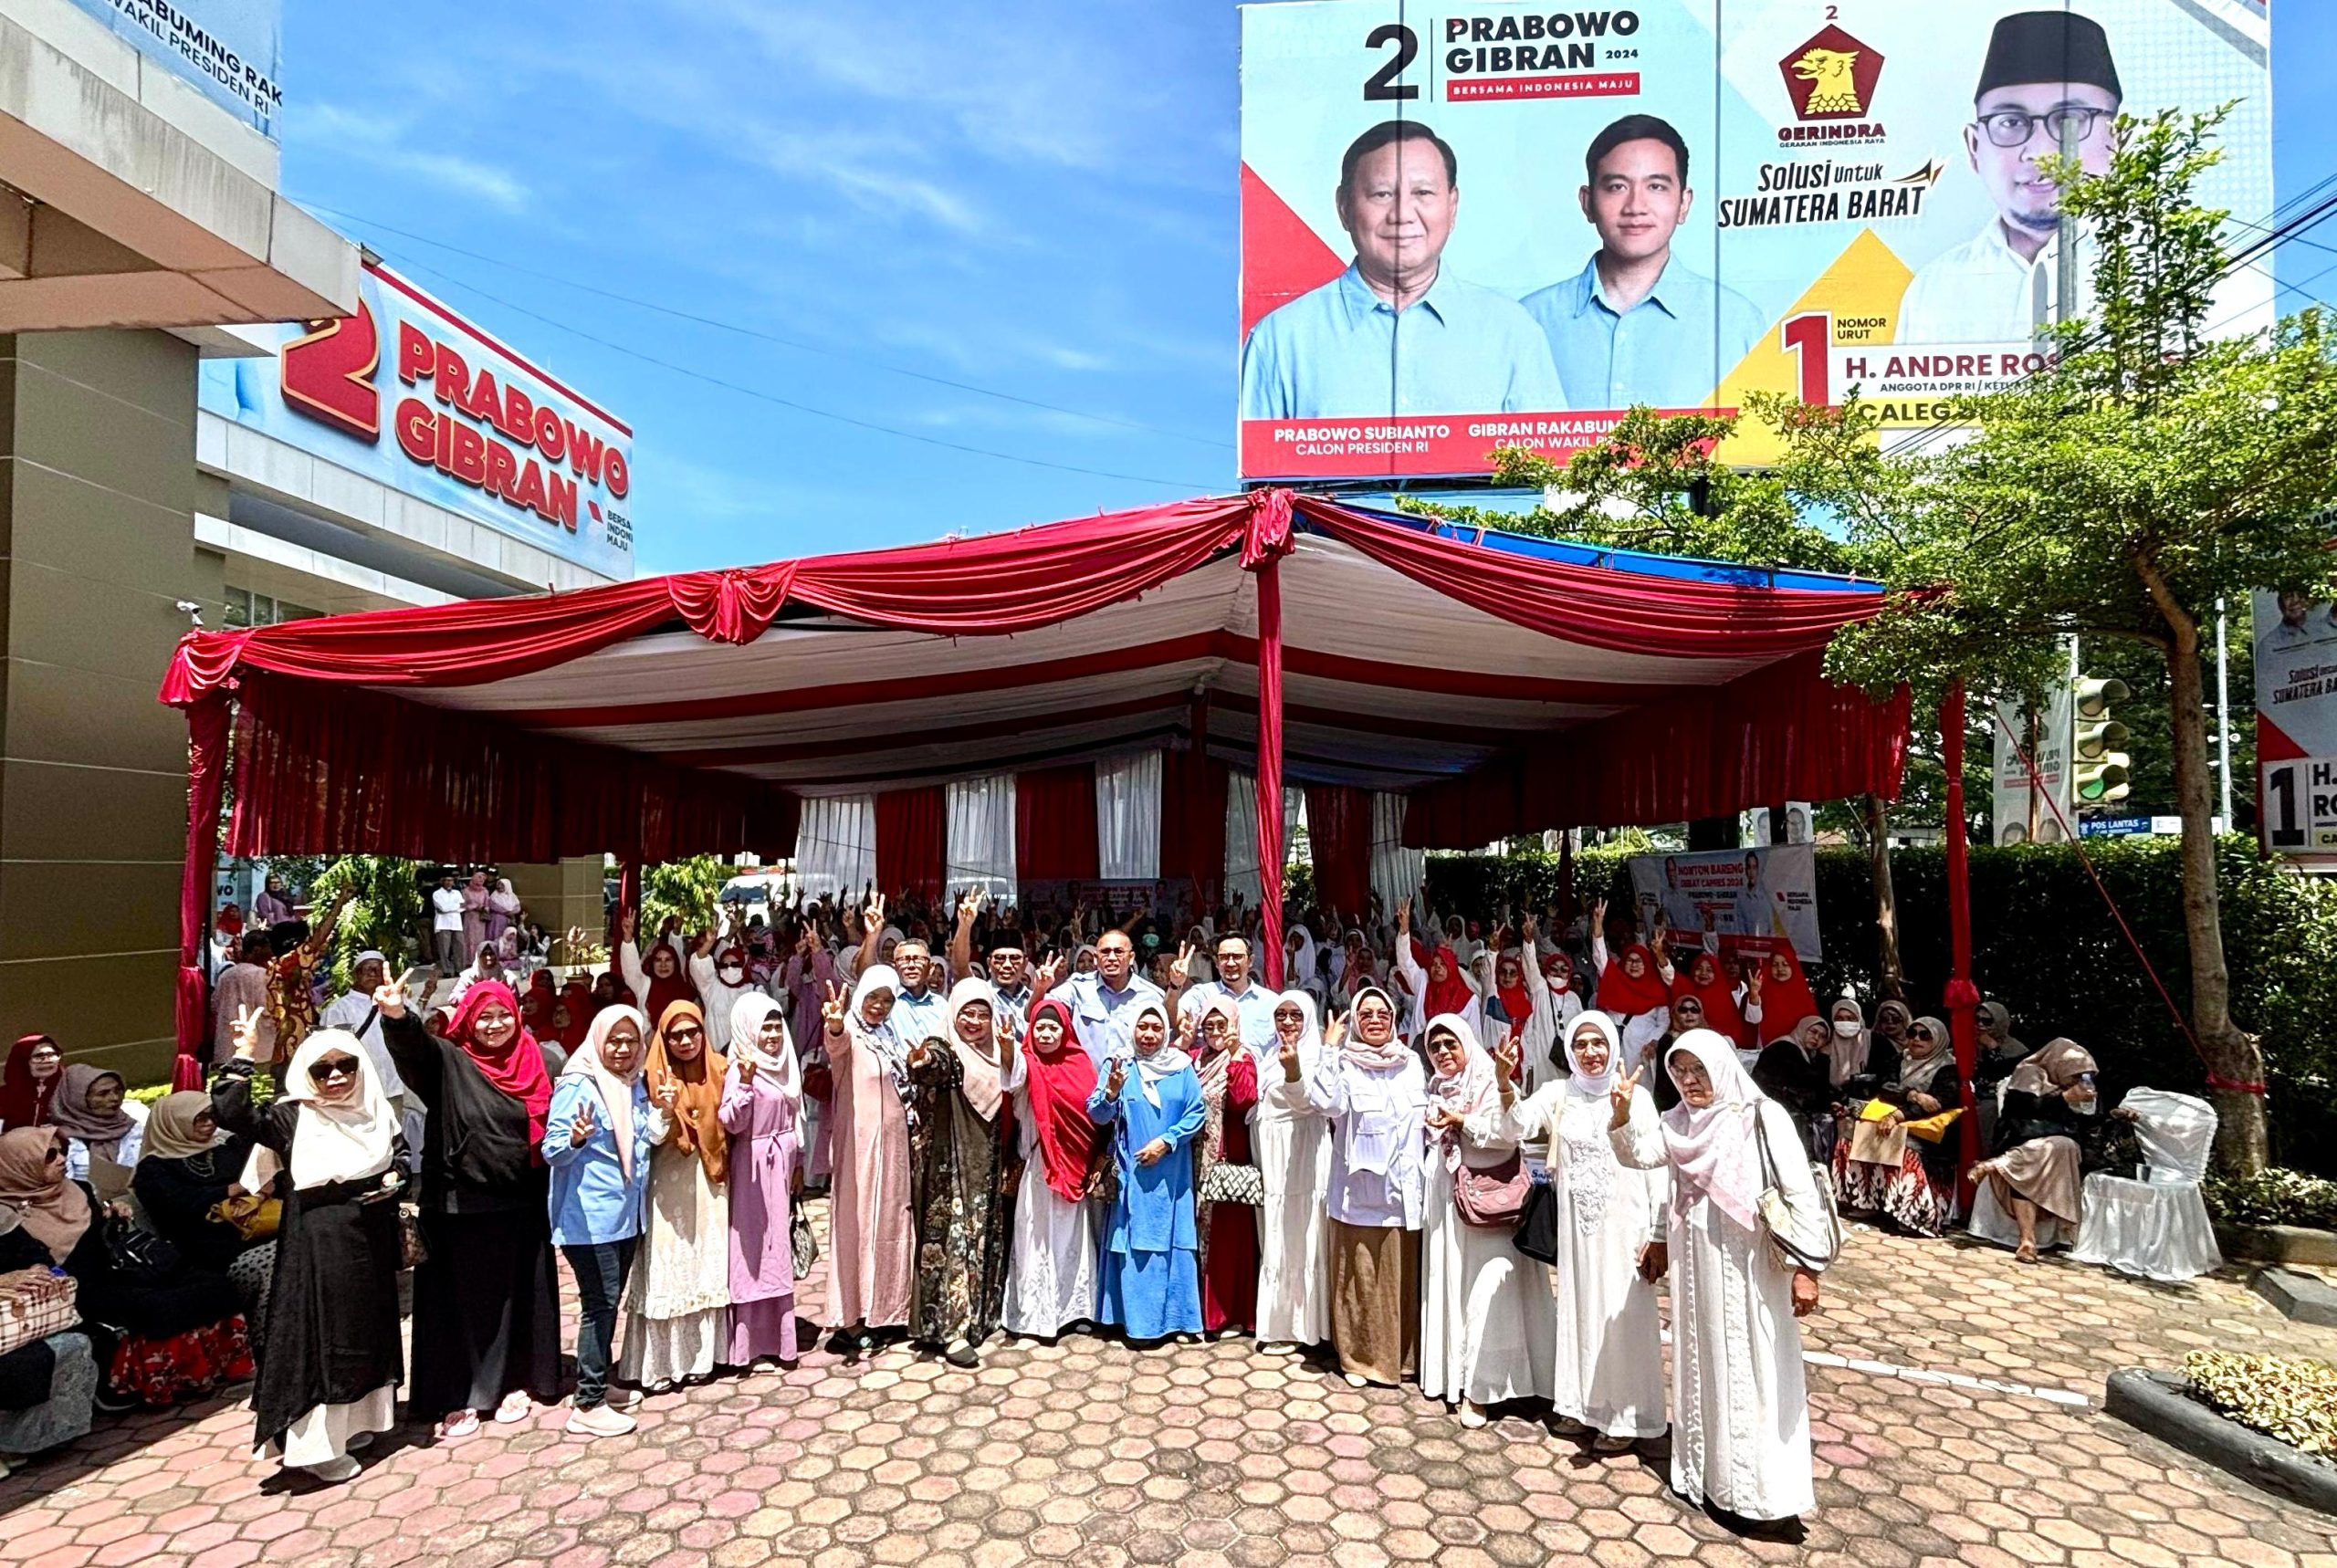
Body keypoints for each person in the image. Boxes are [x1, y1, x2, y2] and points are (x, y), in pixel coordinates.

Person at [1609, 1031, 1827, 1526]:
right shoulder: (1677, 1123)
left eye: (1699, 1070)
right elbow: (1640, 1158)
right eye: (1680, 1071)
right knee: (1703, 1364)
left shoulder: (1761, 1117)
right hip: (1696, 1272)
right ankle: (1710, 1480)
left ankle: (1761, 1497)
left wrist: (1807, 1269)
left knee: (1756, 1367)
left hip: (1753, 1271)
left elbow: (1801, 1194)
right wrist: (1620, 1114)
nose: (1689, 1081)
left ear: (1722, 1067)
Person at [1240, 120, 1564, 421]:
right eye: (1382, 194)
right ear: (1344, 207)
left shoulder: (1512, 331)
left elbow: (1549, 462)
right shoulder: (1279, 340)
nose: (1403, 214)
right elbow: (1256, 465)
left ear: (1452, 206)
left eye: (1423, 193)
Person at [212, 1020, 403, 1485]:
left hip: (370, 1238)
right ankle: (317, 1448)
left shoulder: (373, 1108)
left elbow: (398, 1155)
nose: (336, 1077)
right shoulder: (294, 1117)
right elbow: (231, 1112)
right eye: (322, 1069)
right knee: (326, 1336)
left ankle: (356, 1423)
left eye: (346, 1065)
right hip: (320, 1244)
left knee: (368, 1328)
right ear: (306, 1074)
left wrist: (395, 1177)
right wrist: (244, 1054)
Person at [379, 977, 561, 1440]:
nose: (495, 1025)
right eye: (484, 1017)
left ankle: (513, 1381)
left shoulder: (535, 1058)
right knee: (461, 1303)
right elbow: (413, 1051)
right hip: (460, 1206)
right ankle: (459, 1392)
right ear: (468, 1020)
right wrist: (397, 1016)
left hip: (521, 1200)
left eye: (503, 1015)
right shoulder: (449, 1060)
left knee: (515, 1298)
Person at [1895, 11, 2122, 344]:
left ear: (2117, 139)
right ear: (1974, 147)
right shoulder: (1934, 289)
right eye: (2011, 122)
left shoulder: (2167, 268)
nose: (2040, 152)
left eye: (2070, 121)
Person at [1495, 1012, 1667, 1448]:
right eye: (1581, 1044)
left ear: (1612, 1046)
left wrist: (1657, 1234)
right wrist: (1504, 1082)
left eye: (1599, 1043)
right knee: (1579, 1311)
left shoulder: (1637, 1098)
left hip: (1626, 1227)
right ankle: (1582, 1407)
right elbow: (1515, 1126)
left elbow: (1656, 1170)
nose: (1591, 1052)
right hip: (1578, 1231)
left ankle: (1623, 1417)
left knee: (1622, 1316)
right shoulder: (1559, 1093)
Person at [0, 1126, 252, 1410]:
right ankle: (164, 1384)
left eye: (60, 1152)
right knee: (161, 1306)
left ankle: (214, 1369)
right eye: (49, 1156)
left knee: (212, 1285)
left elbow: (101, 1237)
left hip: (121, 1268)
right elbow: (33, 1265)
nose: (61, 1160)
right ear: (22, 1166)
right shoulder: (9, 1216)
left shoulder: (79, 1189)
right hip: (79, 1289)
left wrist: (111, 1215)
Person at [1524, 113, 1762, 410]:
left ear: (1684, 203)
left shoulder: (1736, 323)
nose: (1636, 207)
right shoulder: (1529, 321)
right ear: (1587, 203)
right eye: (1617, 187)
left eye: (1656, 187)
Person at [1418, 1014, 1553, 1428]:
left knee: (1493, 1289)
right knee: (1457, 1286)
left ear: (1467, 1044)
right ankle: (1460, 1380)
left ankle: (1488, 1386)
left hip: (1492, 1206)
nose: (1443, 1052)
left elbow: (1507, 1134)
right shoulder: (1437, 1088)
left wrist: (1462, 1121)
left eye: (1450, 1044)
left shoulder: (1491, 1082)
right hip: (1451, 1203)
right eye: (1435, 1046)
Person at [544, 1003, 661, 1437]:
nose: (623, 1049)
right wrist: (575, 1139)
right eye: (614, 1040)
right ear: (598, 1040)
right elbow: (552, 1150)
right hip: (589, 1220)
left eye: (631, 1040)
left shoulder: (632, 1084)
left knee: (607, 1303)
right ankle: (588, 1403)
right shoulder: (579, 1084)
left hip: (625, 1215)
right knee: (598, 1305)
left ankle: (597, 1382)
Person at [1305, 985, 1428, 1388]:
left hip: (1404, 1191)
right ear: (1356, 1021)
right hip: (1359, 1194)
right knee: (1361, 1280)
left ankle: (1402, 1359)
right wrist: (1328, 1049)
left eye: (1383, 1014)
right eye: (1366, 1014)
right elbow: (1326, 1103)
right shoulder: (1343, 1063)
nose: (1375, 1020)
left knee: (1400, 1280)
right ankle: (1359, 1361)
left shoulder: (1411, 1063)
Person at [620, 1001, 731, 1391]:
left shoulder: (722, 1070)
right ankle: (661, 1365)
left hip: (712, 1183)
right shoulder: (650, 1078)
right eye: (676, 1036)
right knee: (669, 1266)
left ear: (703, 1032)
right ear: (663, 1040)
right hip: (667, 1188)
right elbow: (648, 1137)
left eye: (692, 1032)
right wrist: (666, 1110)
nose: (685, 1042)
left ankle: (705, 1358)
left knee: (706, 1263)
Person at [905, 978, 1016, 1367]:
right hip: (949, 1166)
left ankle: (980, 1318)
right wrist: (921, 1062)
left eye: (982, 1014)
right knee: (953, 1239)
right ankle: (950, 1330)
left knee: (984, 1236)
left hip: (988, 1162)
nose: (974, 1022)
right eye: (967, 1013)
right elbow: (932, 1065)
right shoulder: (945, 1048)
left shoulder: (1000, 1052)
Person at [1087, 999, 1206, 1344]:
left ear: (1166, 1032)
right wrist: (1111, 1093)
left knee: (1172, 1239)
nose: (1149, 1034)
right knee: (1135, 1241)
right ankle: (1133, 1322)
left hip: (1171, 1172)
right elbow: (1097, 1114)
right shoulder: (1119, 1065)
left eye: (1156, 1028)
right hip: (1132, 1175)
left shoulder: (1181, 1067)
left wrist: (1167, 1142)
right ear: (1132, 1029)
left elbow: (1196, 1112)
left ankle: (1177, 1320)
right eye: (1143, 1027)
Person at [821, 965, 914, 1353]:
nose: (879, 1006)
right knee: (857, 1224)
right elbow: (836, 1046)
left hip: (894, 1148)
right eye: (873, 997)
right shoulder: (852, 1034)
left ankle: (887, 1310)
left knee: (892, 1223)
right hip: (860, 1148)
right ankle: (851, 1318)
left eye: (887, 1000)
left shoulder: (889, 1035)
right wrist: (835, 1026)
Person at [1001, 997, 1102, 1343]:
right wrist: (1007, 1048)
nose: (1045, 1034)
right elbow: (1014, 1077)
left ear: (1065, 1031)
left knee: (1070, 1237)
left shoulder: (1081, 1064)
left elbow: (1091, 1117)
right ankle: (1033, 1315)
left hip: (1074, 1166)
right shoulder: (1027, 1062)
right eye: (1039, 1027)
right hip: (1038, 1168)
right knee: (1034, 1235)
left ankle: (1074, 1312)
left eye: (1052, 1028)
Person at [718, 993, 803, 1372]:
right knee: (752, 1250)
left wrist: (798, 1162)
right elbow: (732, 1121)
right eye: (764, 1028)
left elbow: (795, 1117)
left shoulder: (785, 1064)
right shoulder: (740, 1067)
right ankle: (747, 1344)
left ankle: (779, 1340)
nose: (772, 1035)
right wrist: (746, 1082)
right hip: (752, 1167)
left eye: (776, 1026)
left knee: (777, 1250)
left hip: (781, 1163)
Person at [1971, 1037, 2102, 1262]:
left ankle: (2004, 1166)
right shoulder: (2029, 1073)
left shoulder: (2070, 1086)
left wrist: (2089, 1108)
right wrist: (2064, 1099)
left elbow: (2081, 1125)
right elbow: (2022, 1111)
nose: (2079, 1081)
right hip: (2019, 1136)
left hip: (2051, 1147)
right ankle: (2027, 1239)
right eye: (2076, 1075)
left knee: (2061, 1147)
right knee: (2054, 1149)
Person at [1833, 1014, 1965, 1238]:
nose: (1916, 1039)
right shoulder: (1900, 1059)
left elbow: (1937, 1103)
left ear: (1939, 1039)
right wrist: (1913, 1095)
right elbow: (1886, 1087)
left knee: (1907, 1148)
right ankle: (1865, 1202)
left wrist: (1900, 1114)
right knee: (1850, 1137)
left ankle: (1913, 1214)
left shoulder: (1948, 1068)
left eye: (1925, 1035)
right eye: (1912, 1033)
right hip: (1892, 1117)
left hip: (1927, 1129)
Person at [1253, 991, 1331, 1354]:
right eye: (1281, 1014)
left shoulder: (1319, 1056)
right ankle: (1281, 1322)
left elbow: (1307, 1103)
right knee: (1278, 1235)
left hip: (1302, 1156)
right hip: (1273, 1157)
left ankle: (1307, 1327)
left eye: (1296, 1015)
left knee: (1303, 1234)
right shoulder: (1270, 1055)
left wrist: (1294, 1071)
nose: (1287, 1022)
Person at [1191, 997, 1261, 1337]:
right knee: (1198, 1233)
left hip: (1227, 1159)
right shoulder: (1195, 1059)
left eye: (1223, 1025)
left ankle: (1227, 1313)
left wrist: (1233, 1056)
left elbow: (1244, 1100)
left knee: (1227, 1238)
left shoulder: (1243, 1058)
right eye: (1210, 1026)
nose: (1216, 1032)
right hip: (1194, 1159)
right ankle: (1199, 1311)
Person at [1061, 928, 1166, 1067]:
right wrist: (1041, 988)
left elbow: (1166, 1040)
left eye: (1118, 952)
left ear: (1131, 958)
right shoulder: (1077, 987)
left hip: (1133, 1078)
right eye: (1105, 952)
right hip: (1088, 1078)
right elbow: (1040, 1011)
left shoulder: (1152, 995)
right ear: (1096, 958)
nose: (1111, 958)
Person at [1588, 901, 1673, 1069]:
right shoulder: (1615, 981)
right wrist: (1597, 927)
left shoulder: (1656, 988)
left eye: (1639, 961)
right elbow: (1600, 958)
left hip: (1643, 1052)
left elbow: (1664, 1021)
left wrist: (1654, 1041)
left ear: (1647, 965)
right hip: (1614, 1048)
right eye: (1630, 960)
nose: (1634, 965)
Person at [1178, 933, 1280, 1061]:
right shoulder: (1201, 994)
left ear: (1250, 961)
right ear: (1216, 962)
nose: (1231, 963)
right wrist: (1175, 985)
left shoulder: (1271, 1002)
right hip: (1212, 1072)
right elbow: (1171, 1019)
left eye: (1237, 957)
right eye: (1224, 957)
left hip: (1260, 1072)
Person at [1754, 1015, 1838, 1160]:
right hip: (1774, 1104)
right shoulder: (1783, 1048)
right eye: (1813, 1032)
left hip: (1796, 1106)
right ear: (1802, 1029)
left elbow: (1819, 1087)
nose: (1816, 1038)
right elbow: (1803, 1081)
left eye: (1822, 1037)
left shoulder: (1811, 1056)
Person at [47, 1066, 145, 1185]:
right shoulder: (56, 1139)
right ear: (79, 1099)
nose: (115, 1098)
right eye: (103, 1094)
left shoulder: (134, 1127)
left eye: (118, 1090)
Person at [617, 910, 698, 1025]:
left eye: (668, 960)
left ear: (676, 963)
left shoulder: (688, 991)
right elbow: (631, 971)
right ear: (652, 963)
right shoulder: (645, 985)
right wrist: (628, 938)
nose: (663, 965)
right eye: (658, 960)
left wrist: (676, 932)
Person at [213, 934, 276, 1068]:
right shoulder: (263, 976)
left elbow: (214, 1005)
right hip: (259, 1051)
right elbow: (270, 1008)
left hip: (226, 1048)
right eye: (268, 948)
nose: (271, 953)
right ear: (257, 950)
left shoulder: (226, 975)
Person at [0, 1036, 61, 1133]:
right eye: (38, 1056)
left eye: (52, 1055)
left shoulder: (67, 1091)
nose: (47, 1061)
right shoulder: (4, 1096)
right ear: (23, 1061)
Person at [431, 871, 466, 977]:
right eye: (446, 880)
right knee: (444, 949)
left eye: (450, 880)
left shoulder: (457, 893)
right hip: (442, 923)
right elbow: (442, 908)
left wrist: (449, 908)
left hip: (456, 923)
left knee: (459, 947)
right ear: (442, 881)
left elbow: (463, 906)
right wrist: (456, 907)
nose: (448, 882)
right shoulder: (437, 894)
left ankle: (459, 969)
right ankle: (446, 971)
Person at [460, 871, 492, 959]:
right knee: (469, 938)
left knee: (480, 939)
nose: (481, 880)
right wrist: (474, 907)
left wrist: (484, 908)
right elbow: (462, 906)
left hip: (480, 918)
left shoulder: (485, 891)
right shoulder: (466, 891)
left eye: (483, 879)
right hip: (470, 917)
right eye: (479, 878)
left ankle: (479, 958)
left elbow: (488, 904)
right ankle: (468, 959)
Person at [487, 878, 524, 950]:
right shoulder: (494, 895)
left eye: (502, 885)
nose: (499, 887)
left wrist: (511, 913)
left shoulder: (512, 896)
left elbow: (518, 908)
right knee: (496, 936)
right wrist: (507, 912)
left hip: (509, 920)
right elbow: (493, 906)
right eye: (498, 885)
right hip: (497, 920)